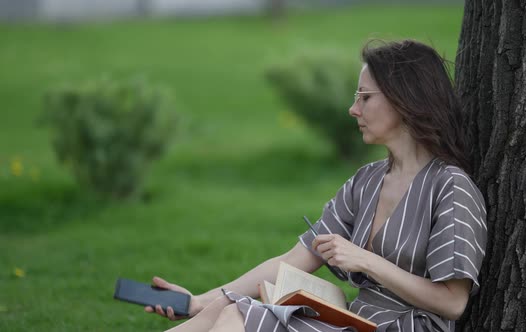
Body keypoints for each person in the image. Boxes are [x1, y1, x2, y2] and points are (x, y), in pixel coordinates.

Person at [145, 39, 487, 332]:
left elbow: (453, 303)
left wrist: (366, 261)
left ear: (405, 100)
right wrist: (198, 301)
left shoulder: (451, 188)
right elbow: (293, 261)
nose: (353, 109)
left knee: (239, 316)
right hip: (355, 322)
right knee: (226, 309)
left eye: (365, 97)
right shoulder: (366, 181)